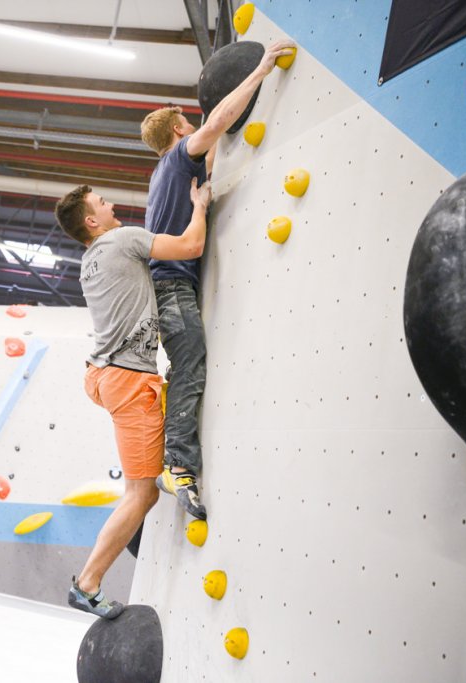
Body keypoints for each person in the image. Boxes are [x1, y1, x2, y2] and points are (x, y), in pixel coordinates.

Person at [140, 41, 295, 521]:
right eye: (187, 121)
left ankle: (174, 459)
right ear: (177, 129)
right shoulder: (177, 157)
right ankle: (178, 466)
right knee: (189, 369)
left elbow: (209, 158)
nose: (193, 124)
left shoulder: (164, 174)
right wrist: (261, 71)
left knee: (184, 368)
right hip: (172, 288)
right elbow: (219, 123)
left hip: (167, 289)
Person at [54, 174, 212, 618]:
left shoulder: (90, 260)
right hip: (127, 380)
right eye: (102, 202)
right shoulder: (123, 239)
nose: (110, 205)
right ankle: (87, 584)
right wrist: (199, 204)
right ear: (92, 220)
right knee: (142, 494)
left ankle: (90, 580)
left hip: (102, 374)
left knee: (139, 486)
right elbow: (191, 246)